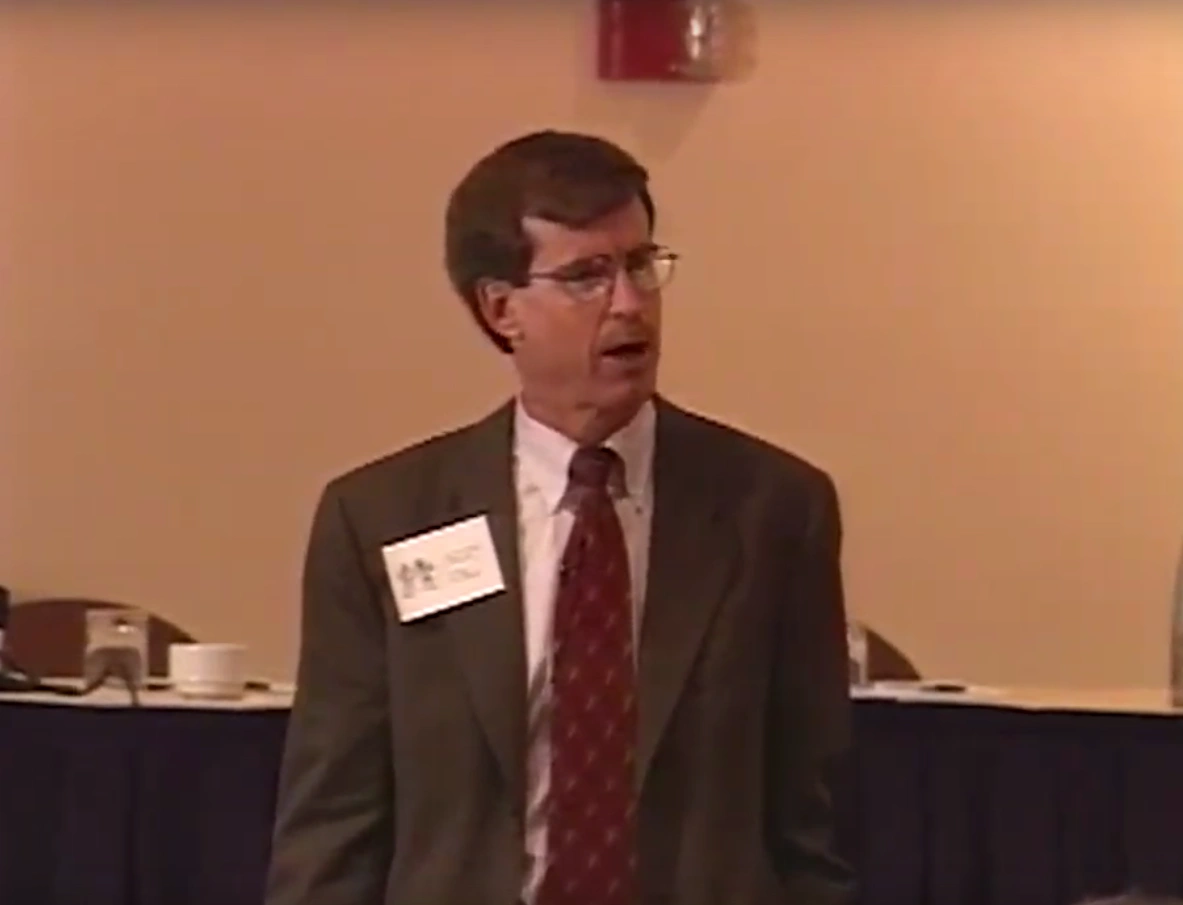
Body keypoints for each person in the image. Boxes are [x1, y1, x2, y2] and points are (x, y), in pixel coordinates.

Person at [264, 129, 854, 905]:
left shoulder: (772, 509)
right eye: (586, 276)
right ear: (501, 307)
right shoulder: (382, 518)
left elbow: (810, 814)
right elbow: (333, 820)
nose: (629, 303)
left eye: (640, 265)